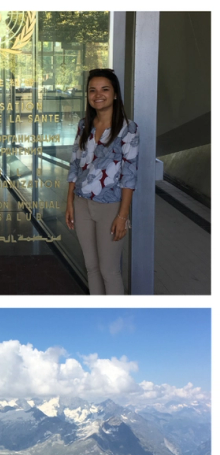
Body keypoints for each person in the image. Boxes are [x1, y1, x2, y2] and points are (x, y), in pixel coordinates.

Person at [65, 69, 138, 295]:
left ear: (115, 94)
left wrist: (122, 216)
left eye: (105, 89)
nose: (98, 95)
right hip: (82, 204)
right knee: (91, 267)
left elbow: (129, 176)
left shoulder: (129, 130)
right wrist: (69, 202)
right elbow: (75, 165)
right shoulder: (83, 125)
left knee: (109, 270)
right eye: (92, 90)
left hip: (110, 207)